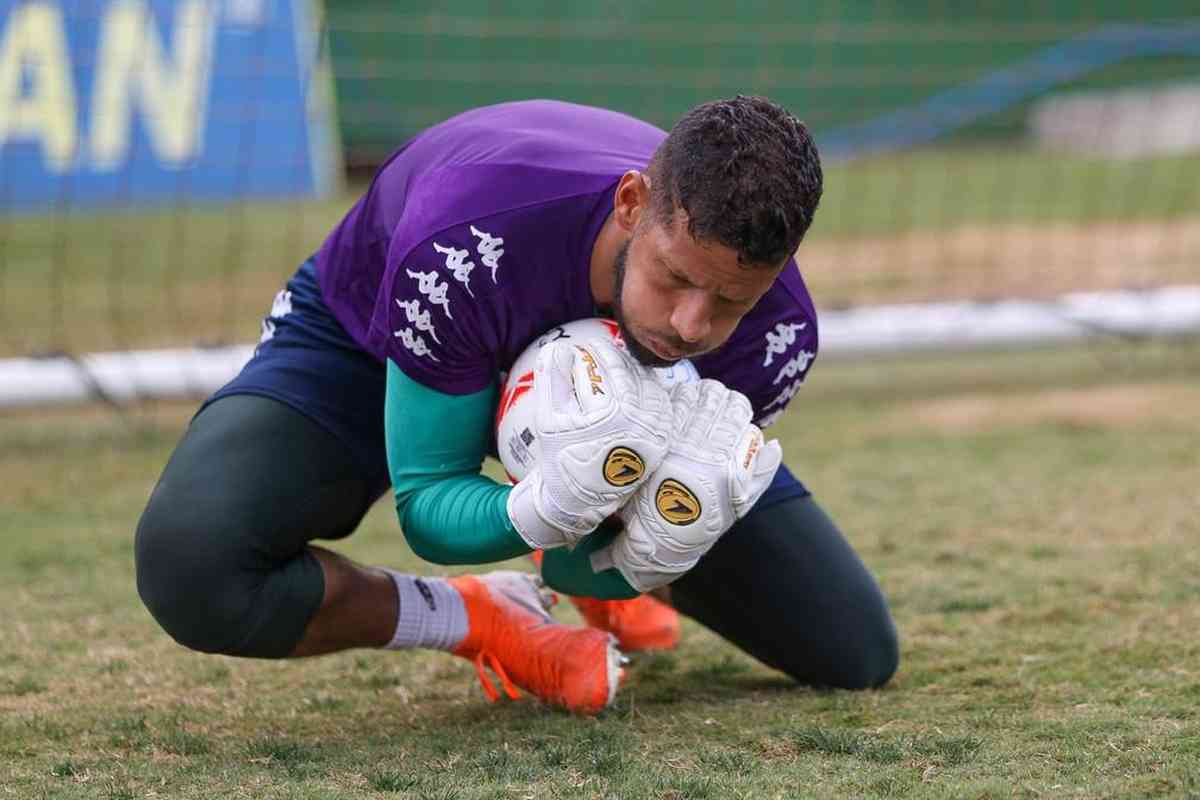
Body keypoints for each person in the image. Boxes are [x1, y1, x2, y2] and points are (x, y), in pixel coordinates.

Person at [134, 96, 899, 716]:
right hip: (384, 334)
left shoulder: (775, 338)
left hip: (586, 395)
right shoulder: (466, 240)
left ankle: (586, 560)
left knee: (852, 650)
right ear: (632, 202)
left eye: (731, 299)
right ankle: (480, 616)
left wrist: (642, 552)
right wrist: (535, 513)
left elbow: (606, 551)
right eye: (674, 278)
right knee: (194, 568)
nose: (691, 326)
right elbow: (428, 503)